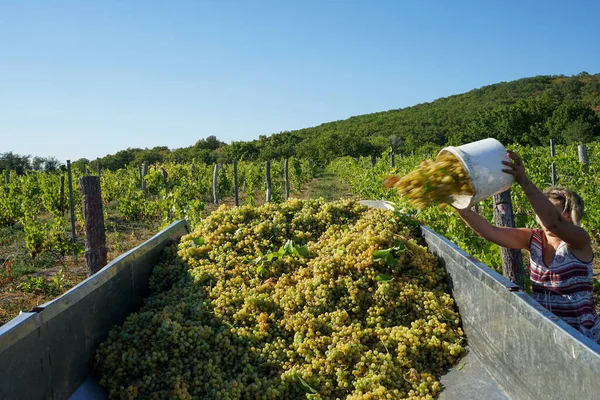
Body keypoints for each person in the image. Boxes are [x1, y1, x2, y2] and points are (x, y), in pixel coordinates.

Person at [453, 150, 600, 344]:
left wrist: (525, 182)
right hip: (548, 333)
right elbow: (490, 231)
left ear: (566, 215)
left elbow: (553, 223)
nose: (540, 215)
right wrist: (456, 202)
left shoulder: (579, 241)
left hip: (582, 337)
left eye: (549, 209)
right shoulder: (534, 239)